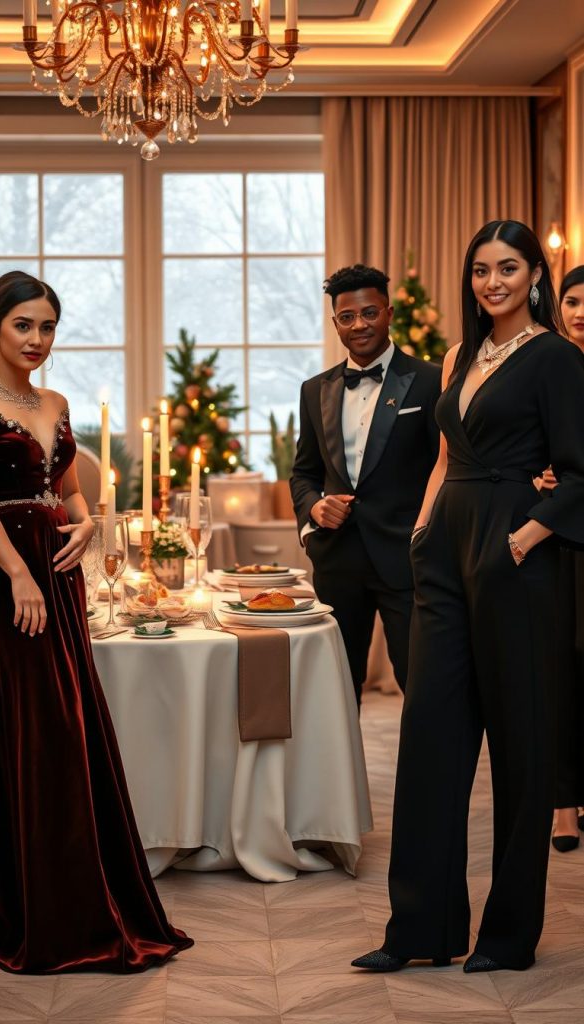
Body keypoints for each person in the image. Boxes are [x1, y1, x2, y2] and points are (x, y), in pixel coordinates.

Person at [352, 221, 584, 975]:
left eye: (507, 268)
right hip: (444, 553)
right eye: (481, 269)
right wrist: (423, 533)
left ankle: (508, 938)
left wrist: (526, 537)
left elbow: (580, 469)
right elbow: (444, 458)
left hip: (515, 555)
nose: (492, 282)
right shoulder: (459, 356)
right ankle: (418, 929)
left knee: (520, 747)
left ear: (535, 275)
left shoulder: (556, 358)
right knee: (429, 735)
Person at [0, 271, 193, 973]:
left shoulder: (54, 402)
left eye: (48, 326)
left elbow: (70, 491)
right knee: (24, 727)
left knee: (67, 726)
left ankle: (76, 892)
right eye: (23, 324)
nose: (37, 339)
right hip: (9, 580)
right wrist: (17, 574)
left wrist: (87, 527)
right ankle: (23, 903)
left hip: (59, 573)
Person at [290, 264, 441, 706]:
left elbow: (448, 468)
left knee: (423, 686)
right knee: (335, 690)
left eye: (369, 313)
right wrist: (314, 509)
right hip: (338, 559)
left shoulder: (431, 381)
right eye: (347, 317)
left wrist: (431, 541)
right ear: (335, 322)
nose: (359, 325)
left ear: (388, 313)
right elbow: (304, 472)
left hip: (408, 558)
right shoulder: (314, 390)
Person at [543, 265, 584, 852]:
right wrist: (538, 474)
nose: (581, 312)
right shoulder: (547, 365)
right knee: (559, 665)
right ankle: (562, 806)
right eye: (573, 301)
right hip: (555, 534)